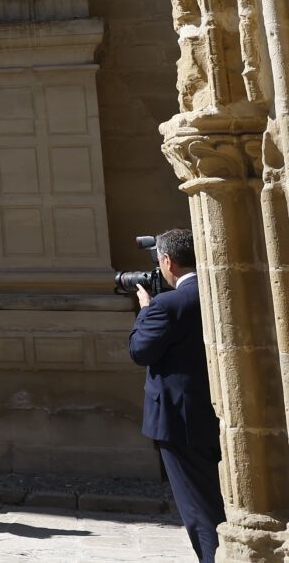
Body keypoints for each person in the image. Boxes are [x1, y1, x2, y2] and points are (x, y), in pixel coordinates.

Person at [129, 228, 224, 562]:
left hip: (178, 420)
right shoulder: (221, 291)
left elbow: (141, 351)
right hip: (218, 412)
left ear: (167, 261)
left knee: (198, 507)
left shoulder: (166, 305)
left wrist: (144, 309)